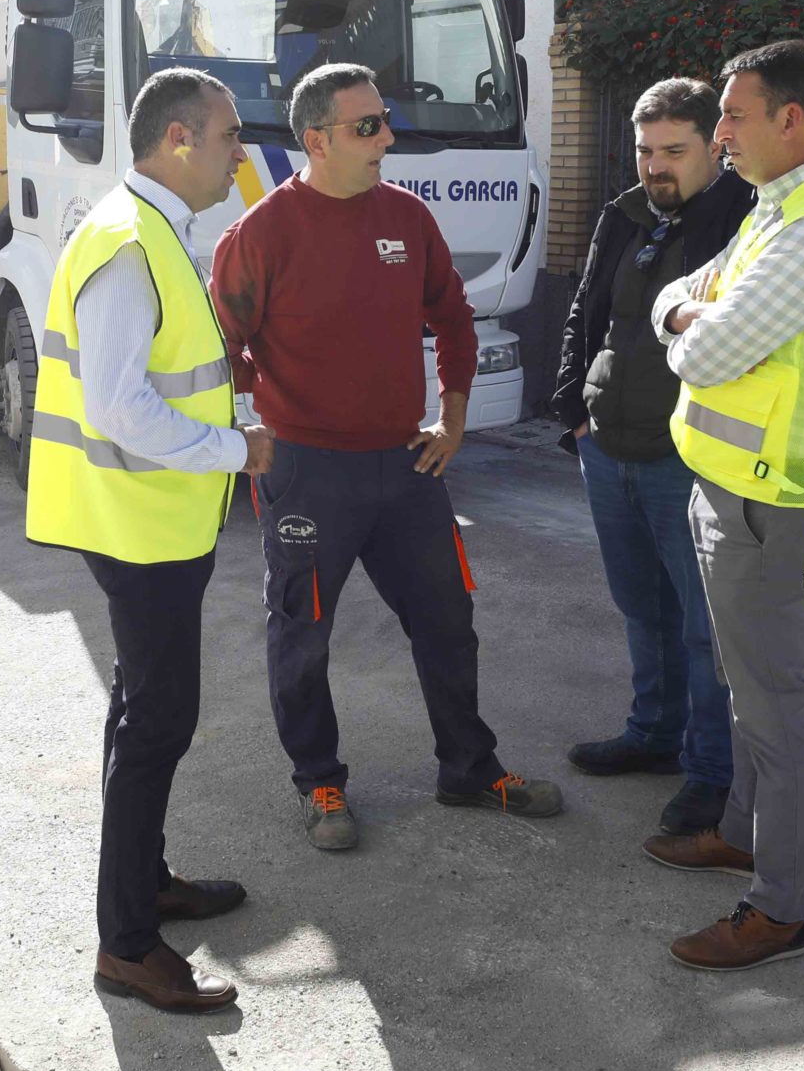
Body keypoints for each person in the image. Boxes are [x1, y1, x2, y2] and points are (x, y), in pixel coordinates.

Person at [211, 61, 561, 851]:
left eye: (385, 120)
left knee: (448, 620)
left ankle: (469, 769)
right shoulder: (261, 234)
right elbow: (221, 344)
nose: (387, 138)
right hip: (305, 471)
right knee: (301, 630)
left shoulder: (406, 218)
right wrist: (245, 431)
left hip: (406, 468)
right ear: (317, 139)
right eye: (368, 126)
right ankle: (321, 784)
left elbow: (455, 319)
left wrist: (454, 417)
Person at [27, 68, 276, 1014]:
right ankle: (128, 943)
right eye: (225, 136)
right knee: (156, 724)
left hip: (153, 518)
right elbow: (123, 406)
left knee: (140, 713)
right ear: (177, 139)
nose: (238, 153)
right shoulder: (130, 242)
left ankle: (146, 884)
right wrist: (236, 447)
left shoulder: (152, 232)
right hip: (141, 526)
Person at [645, 40, 804, 971]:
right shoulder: (777, 209)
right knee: (750, 687)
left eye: (734, 117)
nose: (719, 134)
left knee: (778, 704)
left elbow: (704, 349)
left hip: (773, 503)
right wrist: (692, 316)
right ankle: (743, 833)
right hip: (732, 489)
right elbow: (681, 300)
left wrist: (694, 326)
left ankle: (778, 906)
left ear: (792, 119)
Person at [552, 79, 753, 835]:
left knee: (705, 625)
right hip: (607, 446)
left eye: (674, 150)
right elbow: (586, 311)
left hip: (689, 454)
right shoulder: (624, 212)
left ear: (713, 146)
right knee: (643, 606)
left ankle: (712, 772)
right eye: (645, 149)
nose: (656, 166)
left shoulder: (745, 219)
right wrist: (573, 411)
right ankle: (653, 734)